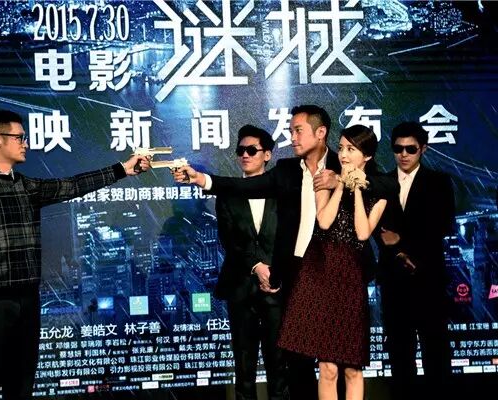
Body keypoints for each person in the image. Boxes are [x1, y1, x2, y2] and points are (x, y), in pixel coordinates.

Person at [173, 105, 397, 399]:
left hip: (342, 273)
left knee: (344, 361)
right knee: (299, 361)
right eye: (291, 131)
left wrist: (342, 180)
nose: (292, 137)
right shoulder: (287, 170)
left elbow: (387, 184)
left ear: (320, 132)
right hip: (298, 274)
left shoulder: (344, 161)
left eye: (298, 131)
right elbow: (246, 186)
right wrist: (203, 180)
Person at [0, 110, 150, 400]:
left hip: (28, 300)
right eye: (19, 138)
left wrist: (122, 169)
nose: (25, 143)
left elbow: (73, 185)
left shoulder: (26, 186)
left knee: (21, 388)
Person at [277, 125, 386, 400]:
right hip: (321, 273)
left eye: (351, 149)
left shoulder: (380, 190)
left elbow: (362, 233)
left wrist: (356, 189)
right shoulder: (325, 177)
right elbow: (324, 221)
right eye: (341, 148)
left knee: (353, 368)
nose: (344, 154)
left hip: (351, 277)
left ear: (367, 156)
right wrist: (339, 186)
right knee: (327, 367)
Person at [374, 121, 455, 400]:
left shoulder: (439, 182)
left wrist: (404, 244)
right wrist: (399, 252)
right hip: (394, 280)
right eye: (398, 148)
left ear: (423, 149)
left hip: (428, 278)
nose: (404, 154)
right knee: (399, 354)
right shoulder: (382, 182)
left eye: (411, 149)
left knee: (436, 352)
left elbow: (443, 224)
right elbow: (377, 230)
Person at [214, 125, 287, 400]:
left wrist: (275, 271)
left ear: (267, 155)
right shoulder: (228, 194)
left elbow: (290, 236)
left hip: (277, 288)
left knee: (278, 362)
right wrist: (257, 266)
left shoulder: (283, 192)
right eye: (241, 150)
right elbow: (229, 239)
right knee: (244, 364)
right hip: (241, 288)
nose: (245, 155)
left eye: (252, 150)